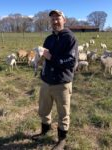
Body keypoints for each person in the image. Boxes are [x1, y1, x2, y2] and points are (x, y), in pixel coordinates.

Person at [32, 10, 78, 150]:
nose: (55, 21)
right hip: (46, 81)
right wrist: (39, 59)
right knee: (44, 109)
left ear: (64, 20)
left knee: (63, 113)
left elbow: (70, 61)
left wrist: (50, 56)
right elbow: (45, 57)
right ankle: (45, 131)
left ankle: (61, 140)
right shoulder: (49, 39)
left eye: (58, 18)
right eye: (52, 19)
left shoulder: (70, 38)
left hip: (62, 83)